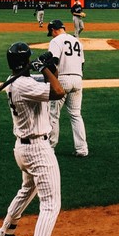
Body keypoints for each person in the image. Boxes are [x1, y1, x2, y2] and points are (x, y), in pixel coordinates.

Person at [0, 42, 66, 236]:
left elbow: (45, 79)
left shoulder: (14, 81)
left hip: (22, 149)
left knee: (27, 190)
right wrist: (46, 69)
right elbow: (58, 91)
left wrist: (48, 67)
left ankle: (4, 234)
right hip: (37, 150)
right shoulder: (24, 85)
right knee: (51, 205)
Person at [46, 19, 88, 158]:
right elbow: (82, 64)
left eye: (51, 32)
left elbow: (54, 63)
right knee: (76, 115)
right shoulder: (77, 41)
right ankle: (82, 149)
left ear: (53, 30)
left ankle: (50, 148)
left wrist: (52, 81)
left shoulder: (56, 41)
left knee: (53, 114)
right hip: (78, 79)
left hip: (62, 79)